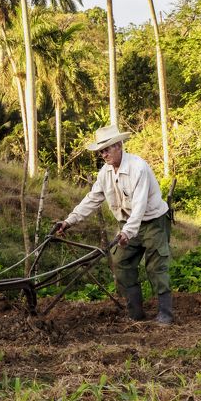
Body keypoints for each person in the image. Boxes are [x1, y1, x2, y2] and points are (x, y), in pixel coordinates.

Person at [50, 124, 173, 325]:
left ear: (119, 145)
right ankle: (136, 313)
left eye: (107, 149)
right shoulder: (105, 173)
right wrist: (69, 221)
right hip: (128, 223)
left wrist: (127, 232)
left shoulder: (138, 168)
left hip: (153, 223)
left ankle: (165, 314)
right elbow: (92, 199)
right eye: (101, 151)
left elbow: (140, 206)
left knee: (156, 266)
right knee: (121, 262)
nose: (104, 154)